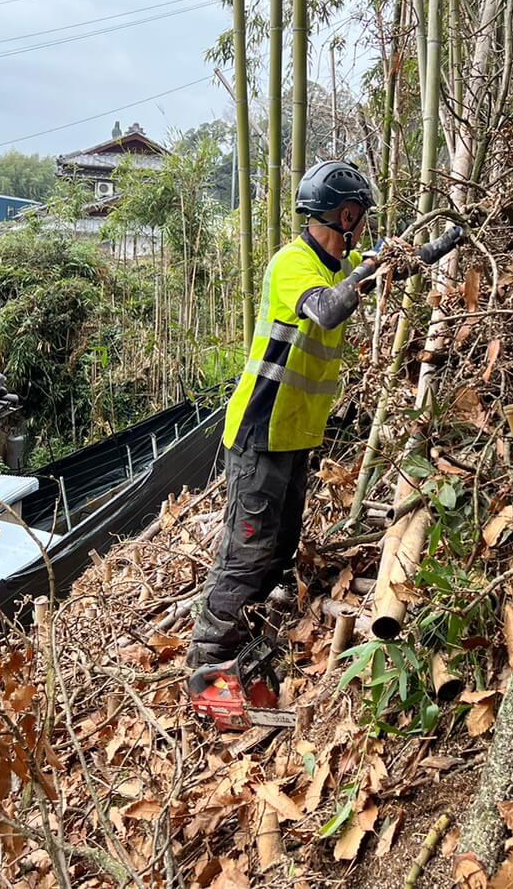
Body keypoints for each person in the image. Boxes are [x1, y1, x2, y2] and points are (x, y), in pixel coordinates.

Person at [187, 159, 387, 725]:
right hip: (259, 433)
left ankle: (244, 645)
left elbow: (355, 282)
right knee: (246, 554)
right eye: (361, 216)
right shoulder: (294, 264)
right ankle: (206, 668)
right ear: (345, 215)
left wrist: (422, 251)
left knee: (279, 547)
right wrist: (363, 274)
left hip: (293, 434)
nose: (364, 225)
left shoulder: (337, 263)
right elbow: (325, 310)